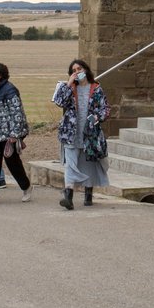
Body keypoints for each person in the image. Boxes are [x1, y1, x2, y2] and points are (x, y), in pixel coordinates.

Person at [52, 59, 110, 210]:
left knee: (88, 163)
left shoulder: (96, 89)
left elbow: (105, 109)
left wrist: (98, 117)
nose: (77, 72)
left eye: (79, 68)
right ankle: (68, 197)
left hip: (90, 133)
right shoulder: (68, 88)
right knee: (70, 164)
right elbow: (59, 101)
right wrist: (68, 83)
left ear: (86, 69)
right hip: (71, 132)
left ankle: (88, 193)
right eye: (73, 70)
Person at [0, 62, 32, 205]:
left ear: (0, 75)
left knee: (12, 162)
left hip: (8, 135)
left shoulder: (10, 90)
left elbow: (17, 113)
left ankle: (26, 187)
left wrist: (15, 134)